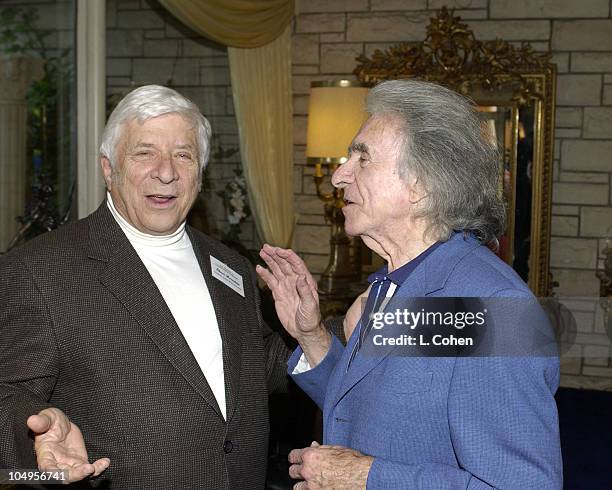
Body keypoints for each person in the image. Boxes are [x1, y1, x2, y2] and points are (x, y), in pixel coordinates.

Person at [257, 80, 563, 489]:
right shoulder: (397, 283)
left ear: (420, 186)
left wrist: (365, 477)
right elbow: (379, 407)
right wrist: (311, 336)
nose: (339, 175)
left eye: (362, 159)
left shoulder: (493, 309)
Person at [0, 85, 291, 488]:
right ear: (108, 168)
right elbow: (7, 393)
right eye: (144, 152)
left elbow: (261, 366)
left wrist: (326, 330)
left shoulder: (231, 265)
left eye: (183, 155)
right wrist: (34, 437)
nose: (167, 171)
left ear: (200, 174)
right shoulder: (39, 271)